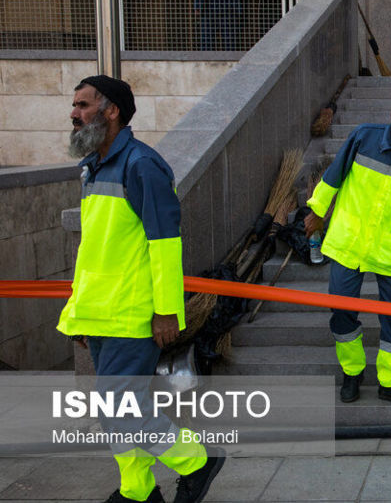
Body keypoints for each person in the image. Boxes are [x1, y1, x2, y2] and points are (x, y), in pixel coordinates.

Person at [58, 75, 225, 503]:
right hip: (102, 314)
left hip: (132, 315)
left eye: (83, 105)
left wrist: (168, 310)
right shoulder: (95, 166)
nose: (74, 114)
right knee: (117, 412)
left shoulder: (141, 164)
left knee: (120, 410)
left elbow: (166, 243)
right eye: (74, 107)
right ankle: (137, 490)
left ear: (111, 110)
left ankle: (196, 460)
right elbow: (97, 250)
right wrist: (81, 313)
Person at [304, 92, 391, 409]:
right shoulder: (362, 136)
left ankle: (390, 382)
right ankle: (353, 372)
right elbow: (334, 174)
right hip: (348, 243)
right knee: (341, 311)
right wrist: (317, 210)